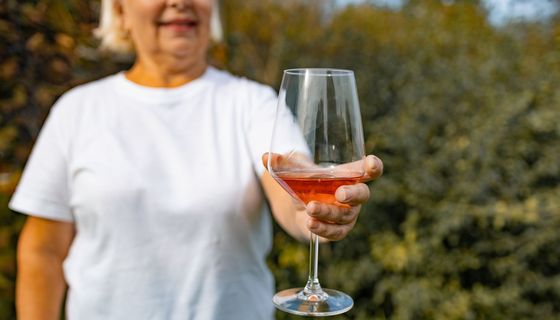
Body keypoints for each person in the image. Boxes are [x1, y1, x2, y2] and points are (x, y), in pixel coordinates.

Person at [9, 0, 383, 319]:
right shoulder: (78, 110)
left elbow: (291, 187)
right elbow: (43, 250)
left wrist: (318, 209)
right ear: (119, 10)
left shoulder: (251, 103)